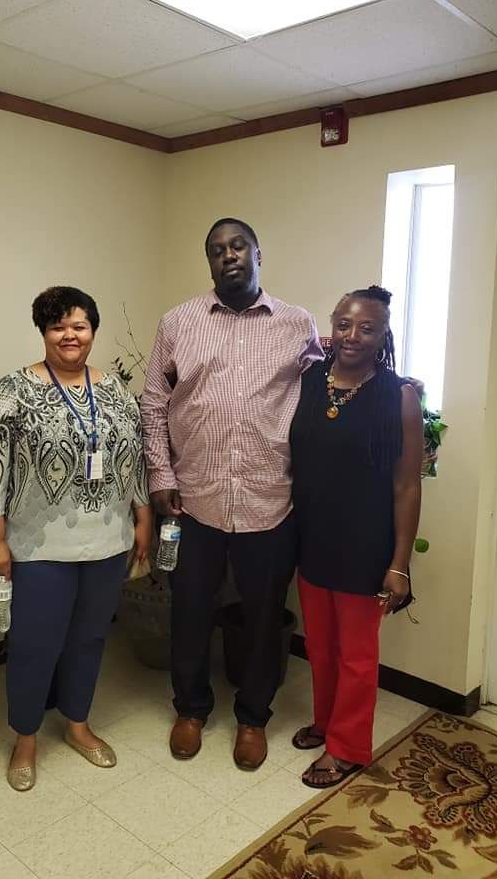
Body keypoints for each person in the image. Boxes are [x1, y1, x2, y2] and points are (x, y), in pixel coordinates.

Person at [140, 218, 322, 770]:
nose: (229, 255)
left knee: (264, 618)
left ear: (258, 253)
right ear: (210, 262)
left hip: (271, 499)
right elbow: (154, 402)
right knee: (191, 611)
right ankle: (191, 709)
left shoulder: (297, 324)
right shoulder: (178, 322)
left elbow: (323, 396)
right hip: (193, 500)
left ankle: (253, 716)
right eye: (217, 250)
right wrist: (161, 477)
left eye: (238, 245)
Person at [0, 286, 153, 791]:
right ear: (43, 332)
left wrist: (142, 515)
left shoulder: (115, 389)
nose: (69, 335)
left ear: (92, 330)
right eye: (58, 326)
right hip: (38, 545)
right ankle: (26, 738)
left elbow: (133, 456)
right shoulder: (12, 391)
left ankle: (77, 723)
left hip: (108, 540)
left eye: (79, 325)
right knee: (34, 644)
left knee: (90, 638)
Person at [289, 285, 422, 788]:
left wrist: (399, 563)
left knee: (357, 655)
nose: (352, 336)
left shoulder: (398, 396)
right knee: (320, 646)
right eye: (343, 324)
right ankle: (325, 722)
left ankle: (346, 747)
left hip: (366, 546)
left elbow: (407, 485)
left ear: (384, 334)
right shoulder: (309, 380)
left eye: (367, 328)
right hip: (313, 538)